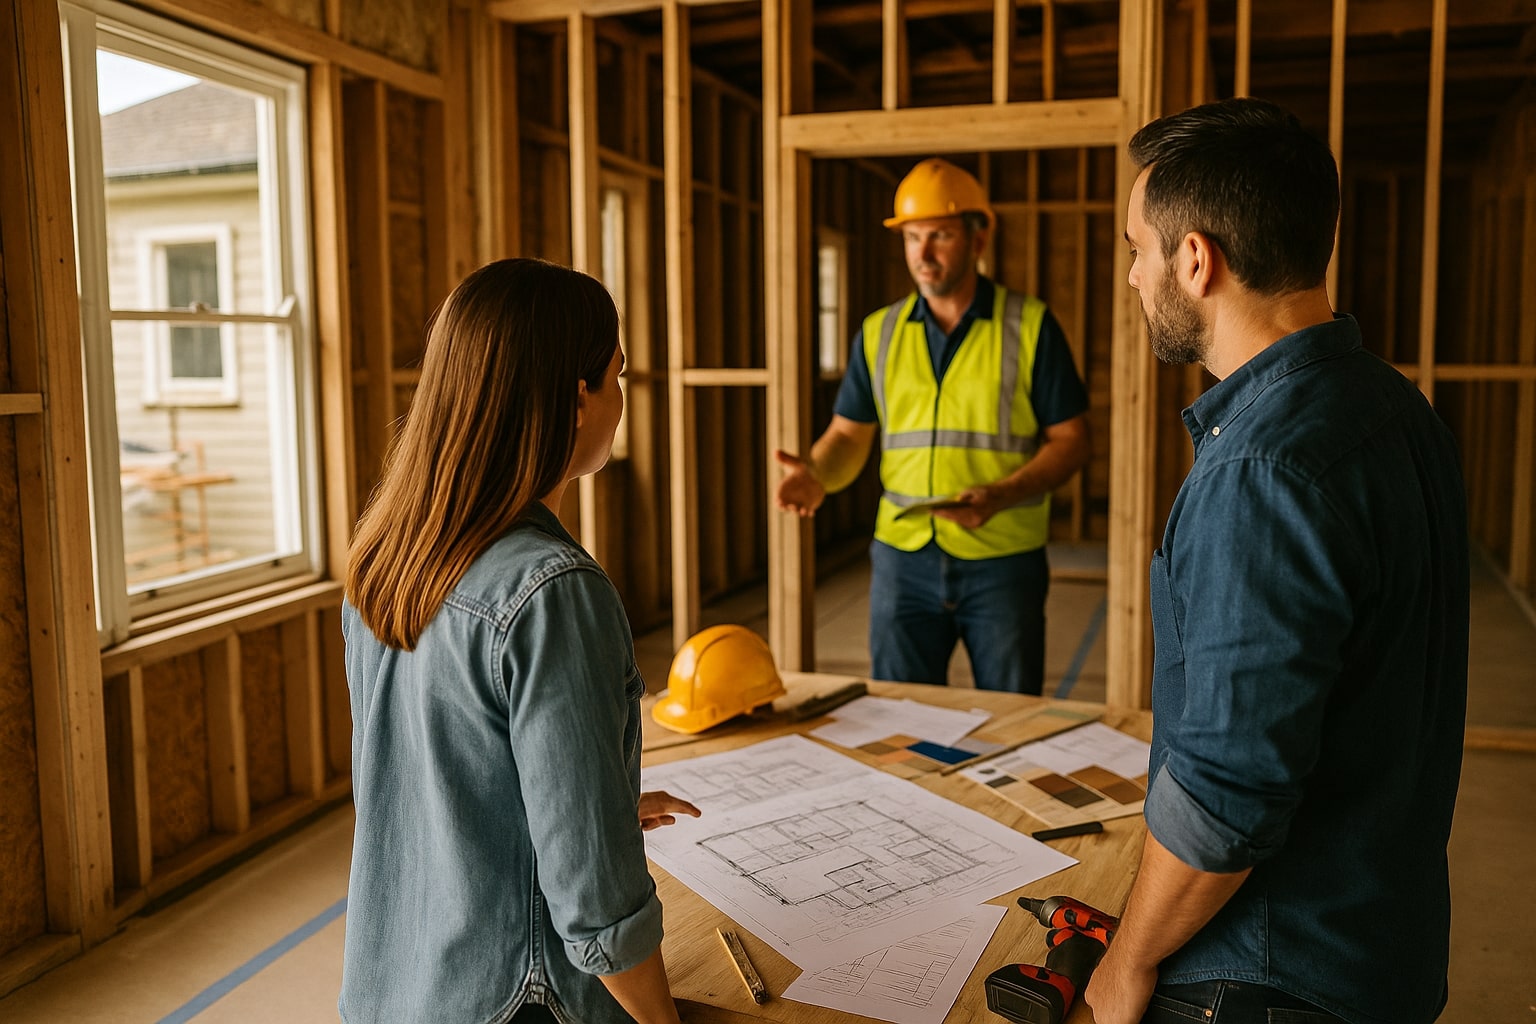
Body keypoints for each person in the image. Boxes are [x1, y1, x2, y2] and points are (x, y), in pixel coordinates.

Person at [1086, 98, 1469, 1024]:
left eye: (1138, 250)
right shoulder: (1395, 409)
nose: (1132, 276)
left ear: (1196, 260)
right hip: (1383, 947)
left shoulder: (1260, 470)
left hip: (1268, 976)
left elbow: (1226, 797)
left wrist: (1126, 963)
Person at [339, 258, 701, 1024]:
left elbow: (425, 784)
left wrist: (587, 805)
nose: (622, 399)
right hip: (521, 1003)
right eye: (617, 376)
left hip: (398, 993)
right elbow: (597, 906)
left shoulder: (385, 558)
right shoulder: (551, 591)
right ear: (578, 399)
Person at [774, 157, 1092, 694]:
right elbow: (848, 435)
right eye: (912, 237)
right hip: (902, 560)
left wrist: (1001, 494)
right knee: (900, 715)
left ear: (977, 238)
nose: (922, 254)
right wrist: (816, 473)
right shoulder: (878, 332)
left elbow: (1073, 440)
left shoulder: (1030, 326)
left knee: (1011, 717)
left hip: (1002, 559)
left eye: (939, 235)